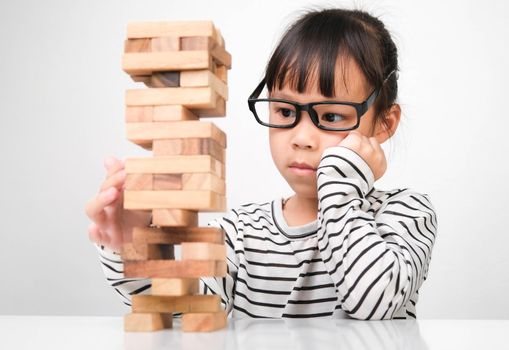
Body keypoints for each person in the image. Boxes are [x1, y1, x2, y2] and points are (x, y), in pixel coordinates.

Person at [85, 7, 437, 320]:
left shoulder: (405, 214)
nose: (302, 137)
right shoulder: (241, 233)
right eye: (285, 111)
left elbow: (375, 304)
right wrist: (131, 244)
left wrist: (342, 185)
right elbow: (183, 310)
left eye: (330, 116)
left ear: (384, 124)